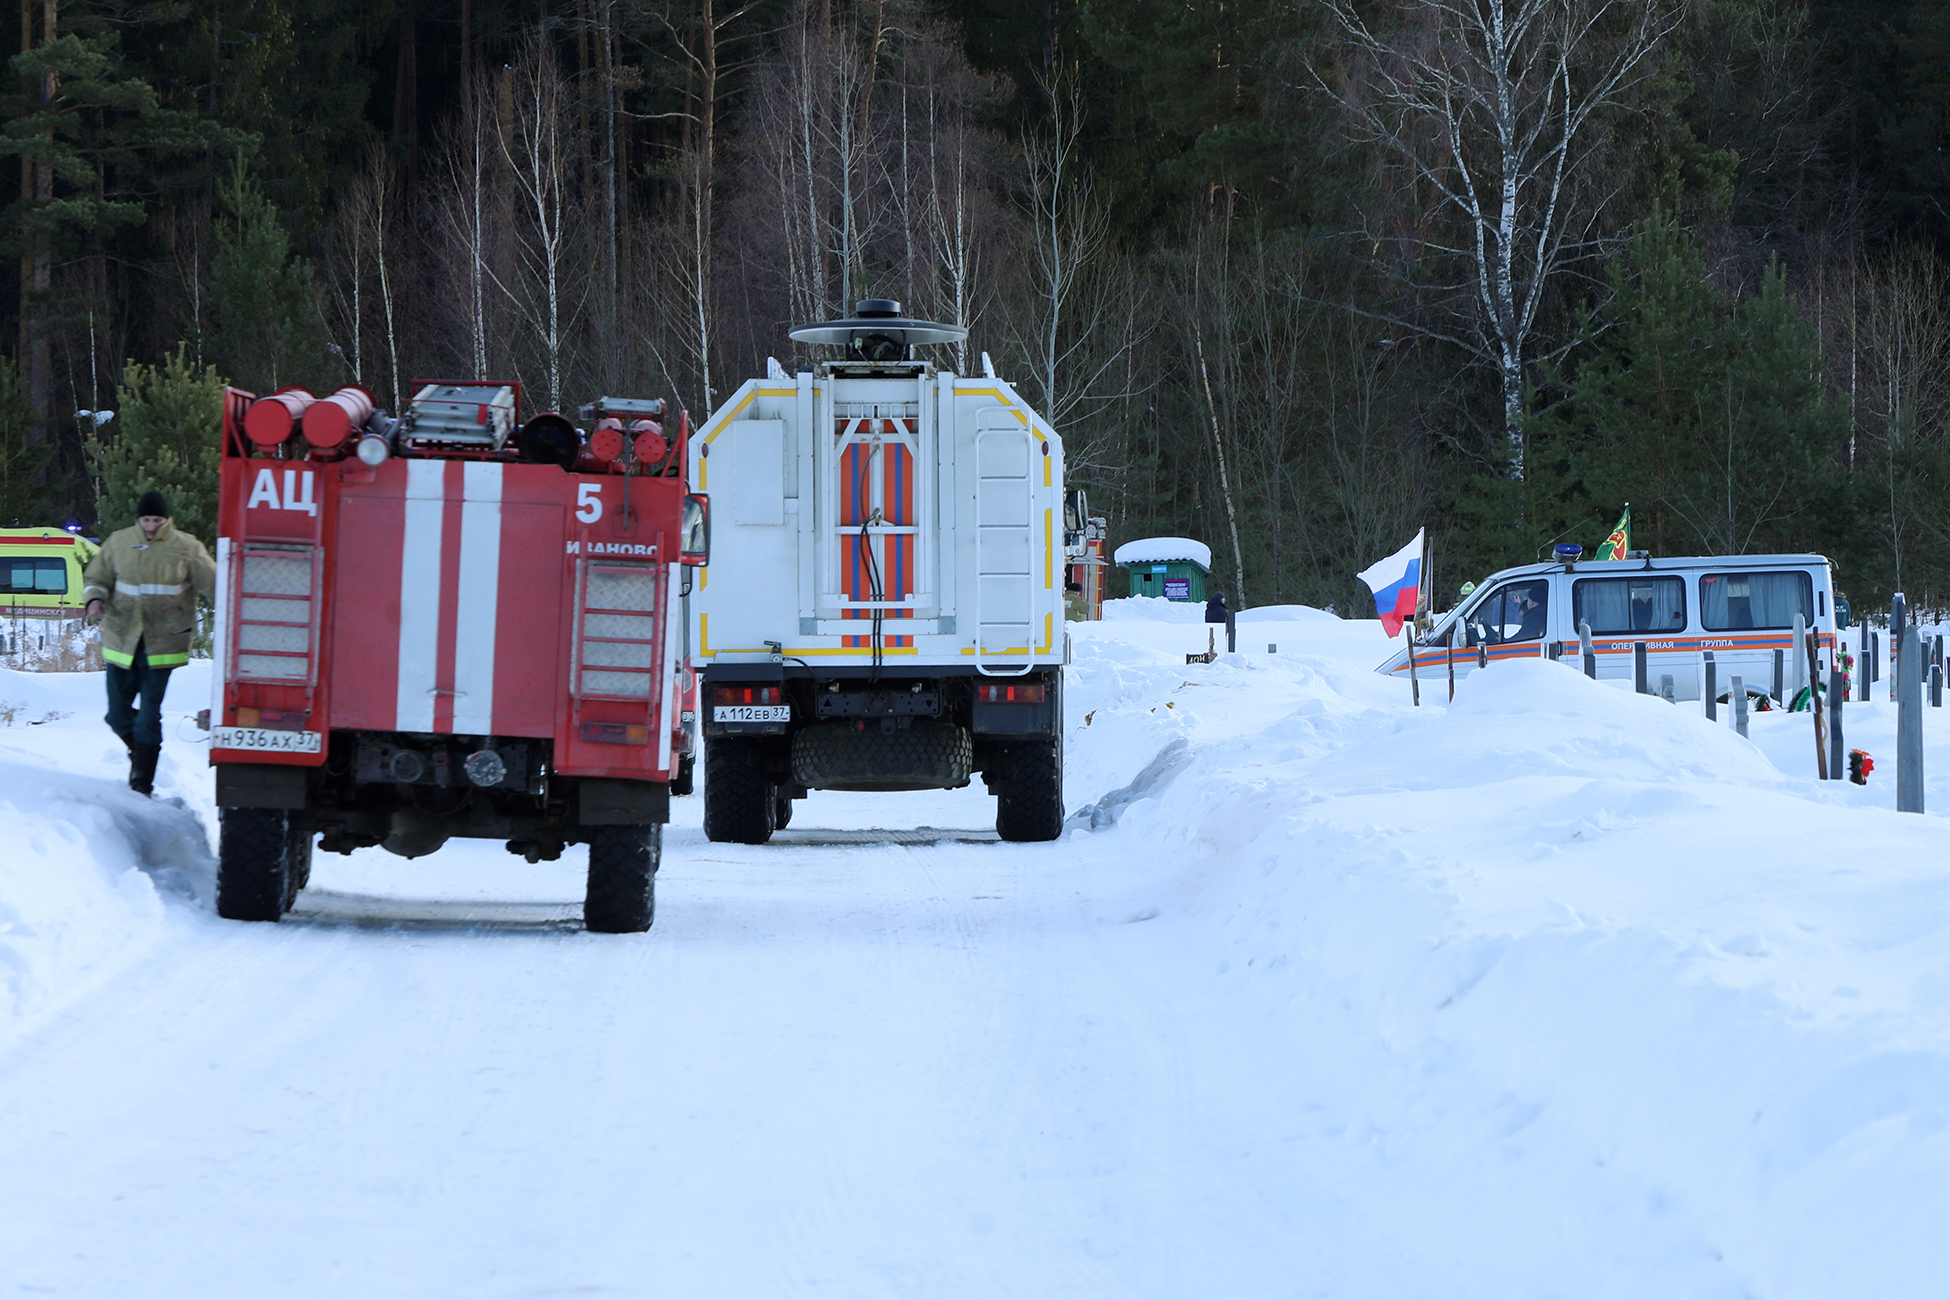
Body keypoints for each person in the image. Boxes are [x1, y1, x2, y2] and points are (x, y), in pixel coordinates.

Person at [82, 491, 216, 795]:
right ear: (138, 519)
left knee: (148, 716)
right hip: (121, 639)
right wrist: (94, 600)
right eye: (146, 520)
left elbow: (214, 583)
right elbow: (96, 578)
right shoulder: (118, 542)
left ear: (167, 519)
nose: (151, 526)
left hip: (162, 645)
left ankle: (142, 779)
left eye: (157, 520)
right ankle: (140, 751)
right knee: (117, 716)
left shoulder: (186, 547)